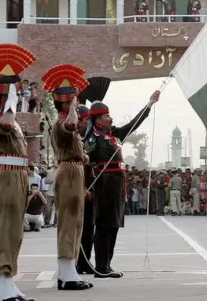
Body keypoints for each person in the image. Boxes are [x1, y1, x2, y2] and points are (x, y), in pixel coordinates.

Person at [0, 43, 37, 301]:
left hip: (19, 177)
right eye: (16, 88)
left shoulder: (15, 123)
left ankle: (9, 281)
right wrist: (10, 99)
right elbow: (6, 122)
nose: (21, 91)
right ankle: (1, 285)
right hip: (7, 175)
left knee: (15, 230)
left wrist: (13, 98)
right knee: (3, 229)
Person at [83, 90, 160, 278]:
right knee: (103, 225)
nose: (110, 118)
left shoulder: (115, 135)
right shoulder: (92, 140)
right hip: (103, 184)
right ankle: (100, 267)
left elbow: (133, 124)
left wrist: (149, 104)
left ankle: (107, 265)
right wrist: (85, 186)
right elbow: (85, 165)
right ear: (98, 120)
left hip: (118, 185)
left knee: (114, 225)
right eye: (106, 116)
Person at [43, 64, 93, 290]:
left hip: (74, 170)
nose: (79, 104)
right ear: (66, 102)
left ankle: (69, 269)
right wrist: (73, 104)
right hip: (69, 172)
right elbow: (72, 123)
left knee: (76, 222)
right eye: (75, 100)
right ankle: (65, 272)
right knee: (68, 222)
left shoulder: (66, 123)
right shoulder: (62, 122)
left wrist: (82, 157)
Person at [75, 104, 96, 275]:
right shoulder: (72, 137)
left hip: (89, 189)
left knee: (89, 228)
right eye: (86, 119)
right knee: (75, 228)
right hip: (76, 188)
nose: (88, 123)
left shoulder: (90, 139)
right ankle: (73, 262)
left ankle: (85, 261)